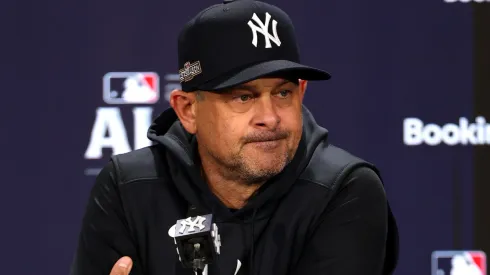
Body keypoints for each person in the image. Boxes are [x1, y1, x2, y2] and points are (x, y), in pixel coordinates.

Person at [70, 0, 399, 275]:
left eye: (283, 93)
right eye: (243, 97)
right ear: (188, 110)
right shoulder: (130, 187)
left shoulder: (342, 190)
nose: (269, 117)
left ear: (301, 92)